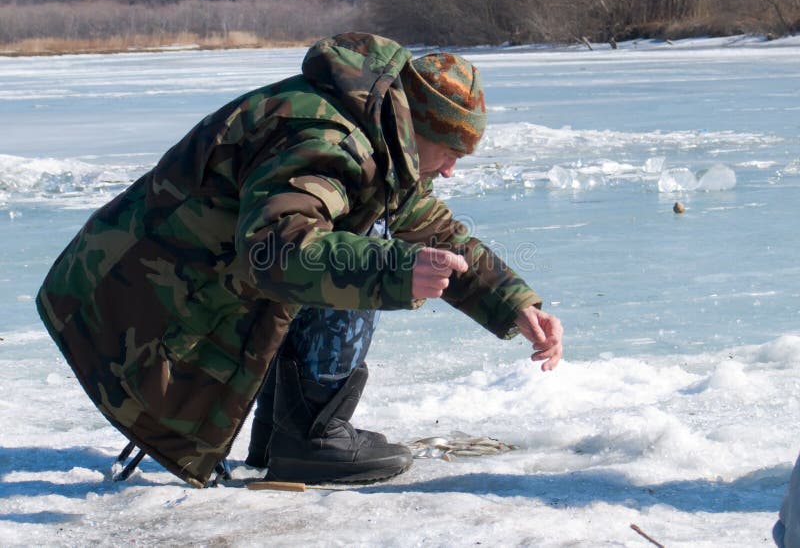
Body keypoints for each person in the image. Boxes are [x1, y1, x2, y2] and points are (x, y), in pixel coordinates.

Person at [36, 32, 563, 488]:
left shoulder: (374, 136)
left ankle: (290, 430)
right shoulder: (329, 139)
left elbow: (437, 230)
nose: (449, 171)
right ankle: (310, 435)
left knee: (365, 236)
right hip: (134, 321)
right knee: (365, 241)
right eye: (450, 152)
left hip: (146, 303)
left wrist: (514, 304)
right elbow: (277, 251)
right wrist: (398, 271)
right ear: (417, 128)